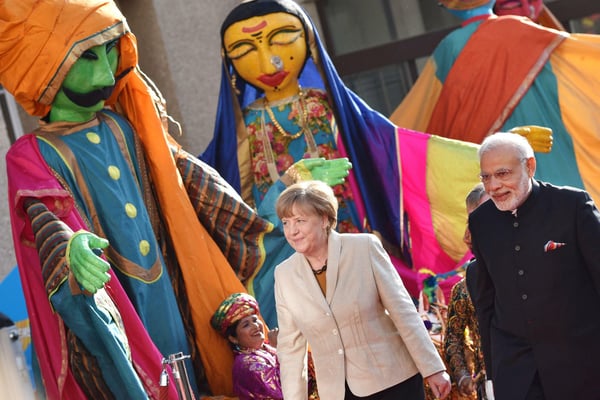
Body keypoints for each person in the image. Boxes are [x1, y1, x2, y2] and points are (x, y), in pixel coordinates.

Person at [2, 0, 274, 396]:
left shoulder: (126, 125)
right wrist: (69, 249)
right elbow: (44, 220)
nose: (106, 71)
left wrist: (283, 204)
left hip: (169, 292)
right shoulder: (32, 153)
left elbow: (186, 184)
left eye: (111, 50)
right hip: (111, 300)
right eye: (88, 56)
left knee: (186, 371)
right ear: (46, 68)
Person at [203, 0, 491, 324]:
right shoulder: (242, 130)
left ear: (308, 41)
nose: (268, 60)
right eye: (244, 50)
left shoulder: (331, 107)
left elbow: (395, 147)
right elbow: (218, 189)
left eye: (283, 39)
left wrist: (490, 156)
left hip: (344, 226)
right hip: (284, 240)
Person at [390, 0, 600, 204]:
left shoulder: (449, 47)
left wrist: (382, 142)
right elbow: (581, 59)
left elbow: (420, 109)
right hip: (551, 154)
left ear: (446, 5)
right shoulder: (522, 30)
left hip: (497, 168)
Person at [273, 180, 452, 400]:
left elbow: (403, 311)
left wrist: (433, 368)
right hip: (338, 393)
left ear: (324, 219)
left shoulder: (364, 247)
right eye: (286, 222)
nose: (292, 231)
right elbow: (290, 349)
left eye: (300, 221)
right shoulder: (284, 275)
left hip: (394, 382)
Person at [467, 132, 600, 399]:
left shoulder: (572, 206)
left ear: (529, 166)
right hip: (516, 373)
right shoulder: (481, 222)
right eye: (486, 177)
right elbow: (485, 302)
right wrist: (492, 375)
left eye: (502, 173)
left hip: (582, 364)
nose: (493, 186)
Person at [210, 292, 319, 400]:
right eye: (246, 325)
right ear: (233, 338)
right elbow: (284, 393)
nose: (255, 325)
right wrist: (280, 348)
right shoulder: (246, 365)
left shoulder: (267, 347)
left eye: (255, 320)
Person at [443, 183, 489, 399]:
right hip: (489, 385)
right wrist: (462, 375)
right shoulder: (464, 288)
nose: (467, 236)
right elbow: (453, 337)